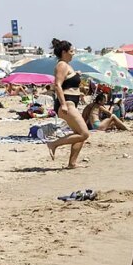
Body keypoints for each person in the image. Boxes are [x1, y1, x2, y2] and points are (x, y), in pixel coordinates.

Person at [48, 38, 90, 169]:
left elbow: (68, 82)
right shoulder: (62, 65)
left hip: (72, 102)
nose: (73, 53)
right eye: (71, 51)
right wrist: (64, 104)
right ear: (64, 52)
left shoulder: (67, 66)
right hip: (67, 103)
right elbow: (57, 85)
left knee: (79, 134)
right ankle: (53, 144)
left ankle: (72, 163)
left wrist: (76, 75)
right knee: (84, 134)